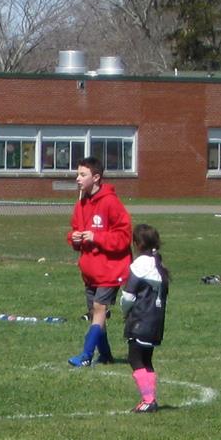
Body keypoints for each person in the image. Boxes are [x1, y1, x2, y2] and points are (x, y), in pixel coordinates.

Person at [65, 155, 132, 367]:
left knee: (99, 308)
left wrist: (97, 237)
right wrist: (74, 238)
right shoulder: (81, 204)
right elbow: (76, 231)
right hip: (91, 270)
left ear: (96, 177)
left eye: (82, 175)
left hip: (111, 269)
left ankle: (86, 355)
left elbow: (124, 237)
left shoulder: (111, 202)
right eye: (77, 174)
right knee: (96, 313)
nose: (77, 178)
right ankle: (106, 355)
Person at [122, 223, 169, 414]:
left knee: (135, 358)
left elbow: (128, 296)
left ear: (137, 244)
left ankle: (148, 399)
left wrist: (125, 312)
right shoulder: (160, 265)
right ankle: (151, 399)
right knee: (147, 359)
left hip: (141, 318)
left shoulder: (140, 265)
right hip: (157, 320)